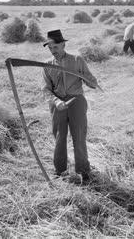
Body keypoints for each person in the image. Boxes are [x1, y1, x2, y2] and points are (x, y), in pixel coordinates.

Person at [42, 29, 98, 181]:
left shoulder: (77, 60)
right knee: (59, 137)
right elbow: (46, 89)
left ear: (63, 45)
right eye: (50, 48)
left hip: (76, 101)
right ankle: (60, 171)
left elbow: (92, 82)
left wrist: (91, 81)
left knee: (79, 136)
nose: (53, 51)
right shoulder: (47, 65)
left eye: (55, 47)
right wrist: (57, 101)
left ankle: (84, 171)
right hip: (57, 104)